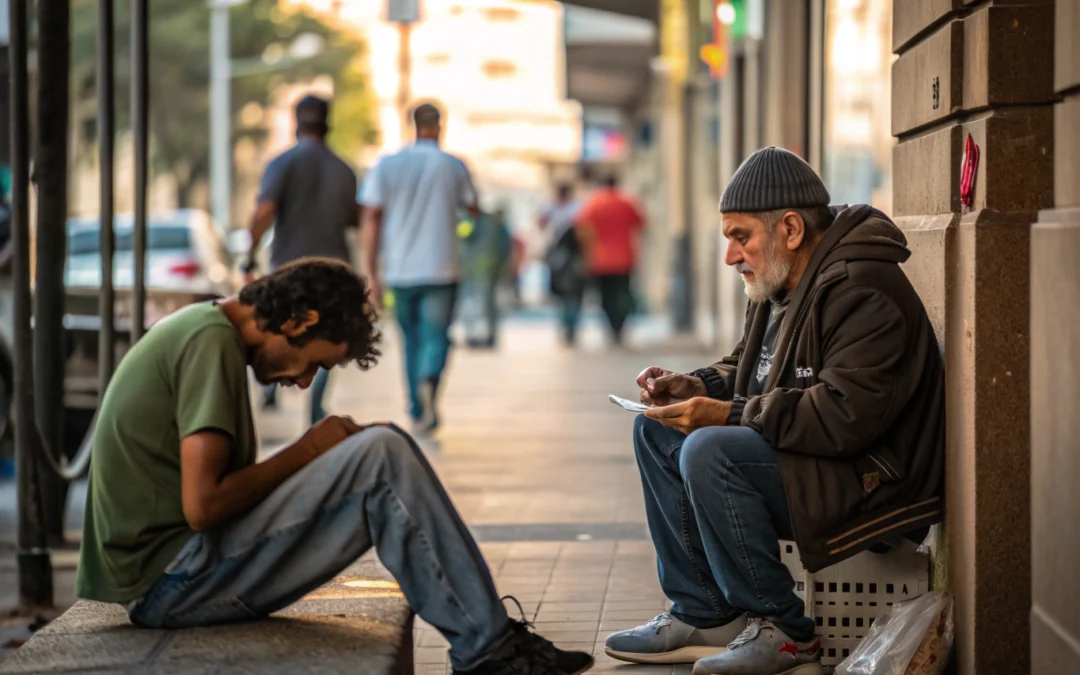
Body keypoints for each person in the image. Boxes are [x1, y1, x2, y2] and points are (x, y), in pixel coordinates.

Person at [75, 259, 593, 675]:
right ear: (299, 321)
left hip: (178, 572)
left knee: (380, 450)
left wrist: (317, 461)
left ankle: (488, 638)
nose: (304, 382)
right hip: (168, 585)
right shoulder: (208, 343)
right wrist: (305, 451)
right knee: (382, 452)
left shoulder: (207, 330)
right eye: (316, 364)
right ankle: (487, 646)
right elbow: (203, 506)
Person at [605, 147, 945, 675]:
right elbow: (749, 364)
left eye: (741, 238)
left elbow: (843, 415)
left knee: (711, 449)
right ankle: (706, 611)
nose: (731, 256)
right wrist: (696, 385)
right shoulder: (779, 284)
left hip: (873, 481)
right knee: (657, 434)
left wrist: (725, 415)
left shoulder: (862, 288)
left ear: (789, 228)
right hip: (813, 458)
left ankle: (785, 631)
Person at [360, 103, 479, 433]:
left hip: (400, 269)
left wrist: (371, 270)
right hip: (442, 266)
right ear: (439, 126)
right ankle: (429, 380)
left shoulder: (387, 164)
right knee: (437, 336)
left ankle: (416, 407)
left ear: (413, 125)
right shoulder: (453, 165)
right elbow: (472, 207)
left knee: (410, 340)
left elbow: (371, 216)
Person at [243, 94, 360, 426]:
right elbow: (355, 218)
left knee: (275, 326)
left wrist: (249, 255)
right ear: (328, 123)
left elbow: (264, 211)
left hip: (287, 266)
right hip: (333, 269)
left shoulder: (282, 163)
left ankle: (269, 387)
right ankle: (316, 402)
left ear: (296, 122)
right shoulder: (344, 170)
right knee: (329, 335)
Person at [573, 174, 645, 345]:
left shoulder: (593, 203)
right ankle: (620, 326)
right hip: (624, 259)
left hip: (600, 259)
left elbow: (581, 229)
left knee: (605, 296)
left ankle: (612, 326)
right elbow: (641, 223)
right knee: (622, 293)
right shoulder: (627, 202)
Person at [461, 205, 513, 349]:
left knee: (482, 303)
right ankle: (482, 334)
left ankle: (481, 334)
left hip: (480, 269)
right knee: (483, 304)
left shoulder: (478, 223)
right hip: (480, 269)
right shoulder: (493, 224)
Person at [539, 183, 585, 346]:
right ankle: (569, 327)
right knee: (568, 295)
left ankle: (569, 327)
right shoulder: (574, 208)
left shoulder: (573, 209)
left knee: (569, 295)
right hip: (565, 257)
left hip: (568, 257)